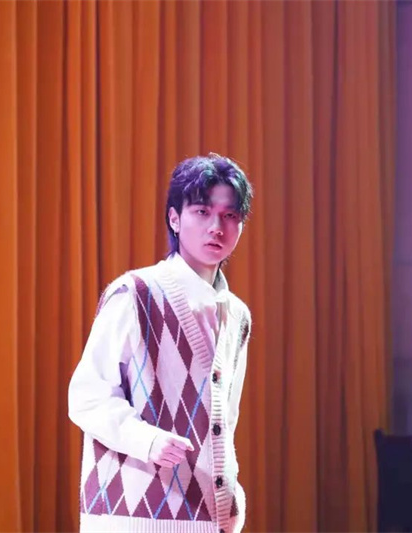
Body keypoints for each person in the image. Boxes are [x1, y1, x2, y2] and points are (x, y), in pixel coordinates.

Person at [68, 153, 254, 533]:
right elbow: (86, 397)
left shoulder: (237, 316)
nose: (216, 227)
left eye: (230, 215)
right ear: (174, 219)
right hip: (131, 519)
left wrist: (230, 495)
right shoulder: (135, 294)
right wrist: (148, 440)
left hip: (208, 519)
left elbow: (224, 423)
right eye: (202, 211)